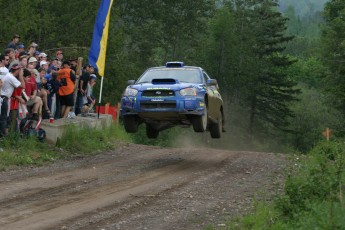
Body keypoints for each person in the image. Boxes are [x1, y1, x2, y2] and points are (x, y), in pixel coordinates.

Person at [0, 63, 25, 137]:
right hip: (4, 98)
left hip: (4, 98)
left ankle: (5, 135)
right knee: (4, 118)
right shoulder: (11, 77)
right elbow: (23, 86)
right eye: (20, 70)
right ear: (17, 70)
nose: (21, 72)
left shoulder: (9, 75)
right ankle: (3, 136)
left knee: (5, 118)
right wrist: (21, 76)